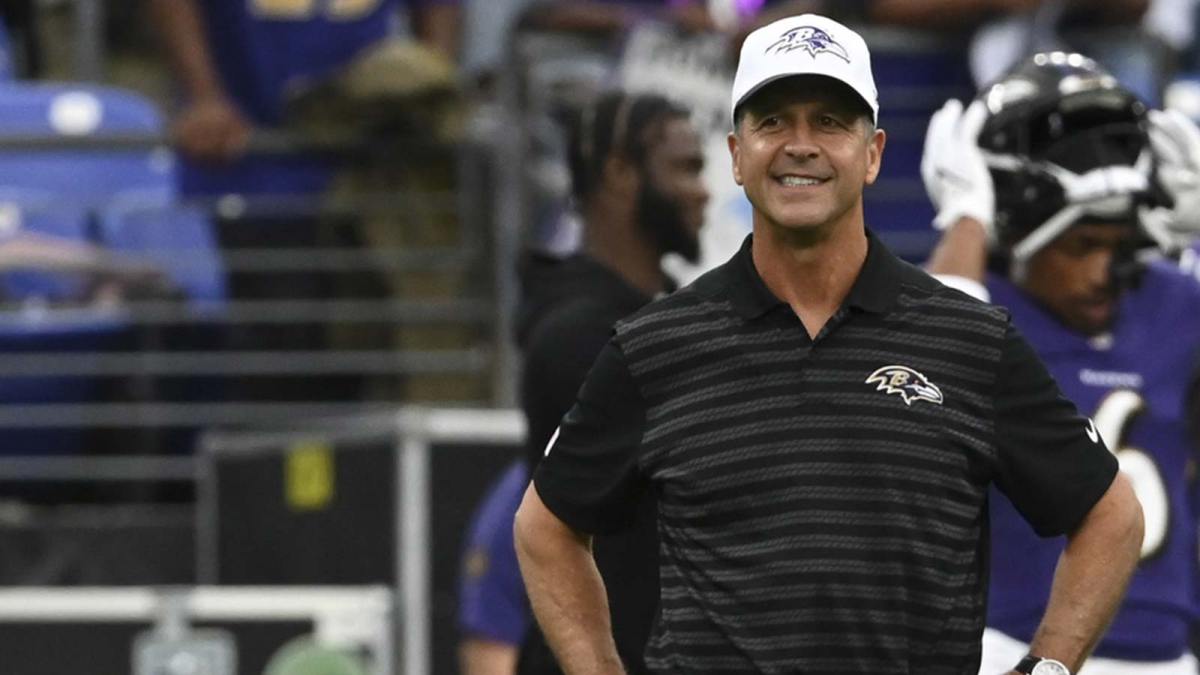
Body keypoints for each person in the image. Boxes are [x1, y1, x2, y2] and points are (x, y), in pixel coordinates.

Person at [514, 13, 1145, 675]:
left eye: (830, 122)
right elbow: (545, 525)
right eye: (773, 121)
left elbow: (1110, 513)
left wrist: (1046, 667)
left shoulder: (970, 340)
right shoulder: (656, 346)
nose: (800, 144)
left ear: (873, 153)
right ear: (735, 154)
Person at [922, 52, 1200, 675]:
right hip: (1012, 650)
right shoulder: (976, 313)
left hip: (1167, 659)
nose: (1106, 271)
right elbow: (930, 349)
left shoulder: (1171, 302)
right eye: (1082, 245)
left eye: (1118, 245)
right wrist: (967, 214)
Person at [456, 90, 708, 675]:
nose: (704, 190)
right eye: (685, 168)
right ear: (620, 174)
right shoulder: (578, 338)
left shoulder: (663, 315)